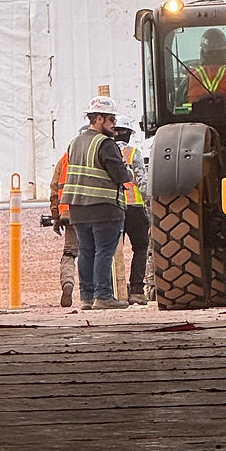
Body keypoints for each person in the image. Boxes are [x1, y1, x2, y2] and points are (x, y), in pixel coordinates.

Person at [62, 95, 133, 309]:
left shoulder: (75, 143)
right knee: (104, 251)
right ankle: (103, 296)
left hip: (78, 209)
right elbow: (121, 176)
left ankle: (87, 297)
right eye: (111, 120)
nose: (115, 126)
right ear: (100, 119)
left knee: (86, 251)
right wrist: (128, 171)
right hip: (103, 208)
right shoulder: (105, 144)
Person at [114, 118, 151, 305]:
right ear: (128, 134)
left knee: (111, 250)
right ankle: (136, 290)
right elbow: (142, 182)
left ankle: (114, 291)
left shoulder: (105, 151)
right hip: (135, 208)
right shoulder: (133, 153)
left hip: (114, 208)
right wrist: (148, 201)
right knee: (141, 247)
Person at [49, 143, 80, 307]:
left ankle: (67, 284)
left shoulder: (64, 159)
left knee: (69, 253)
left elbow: (54, 187)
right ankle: (96, 291)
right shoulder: (92, 155)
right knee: (94, 253)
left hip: (67, 213)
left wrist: (56, 216)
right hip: (89, 212)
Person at [185, 28, 226, 105]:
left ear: (202, 53)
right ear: (224, 53)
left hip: (194, 117)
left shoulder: (190, 79)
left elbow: (177, 103)